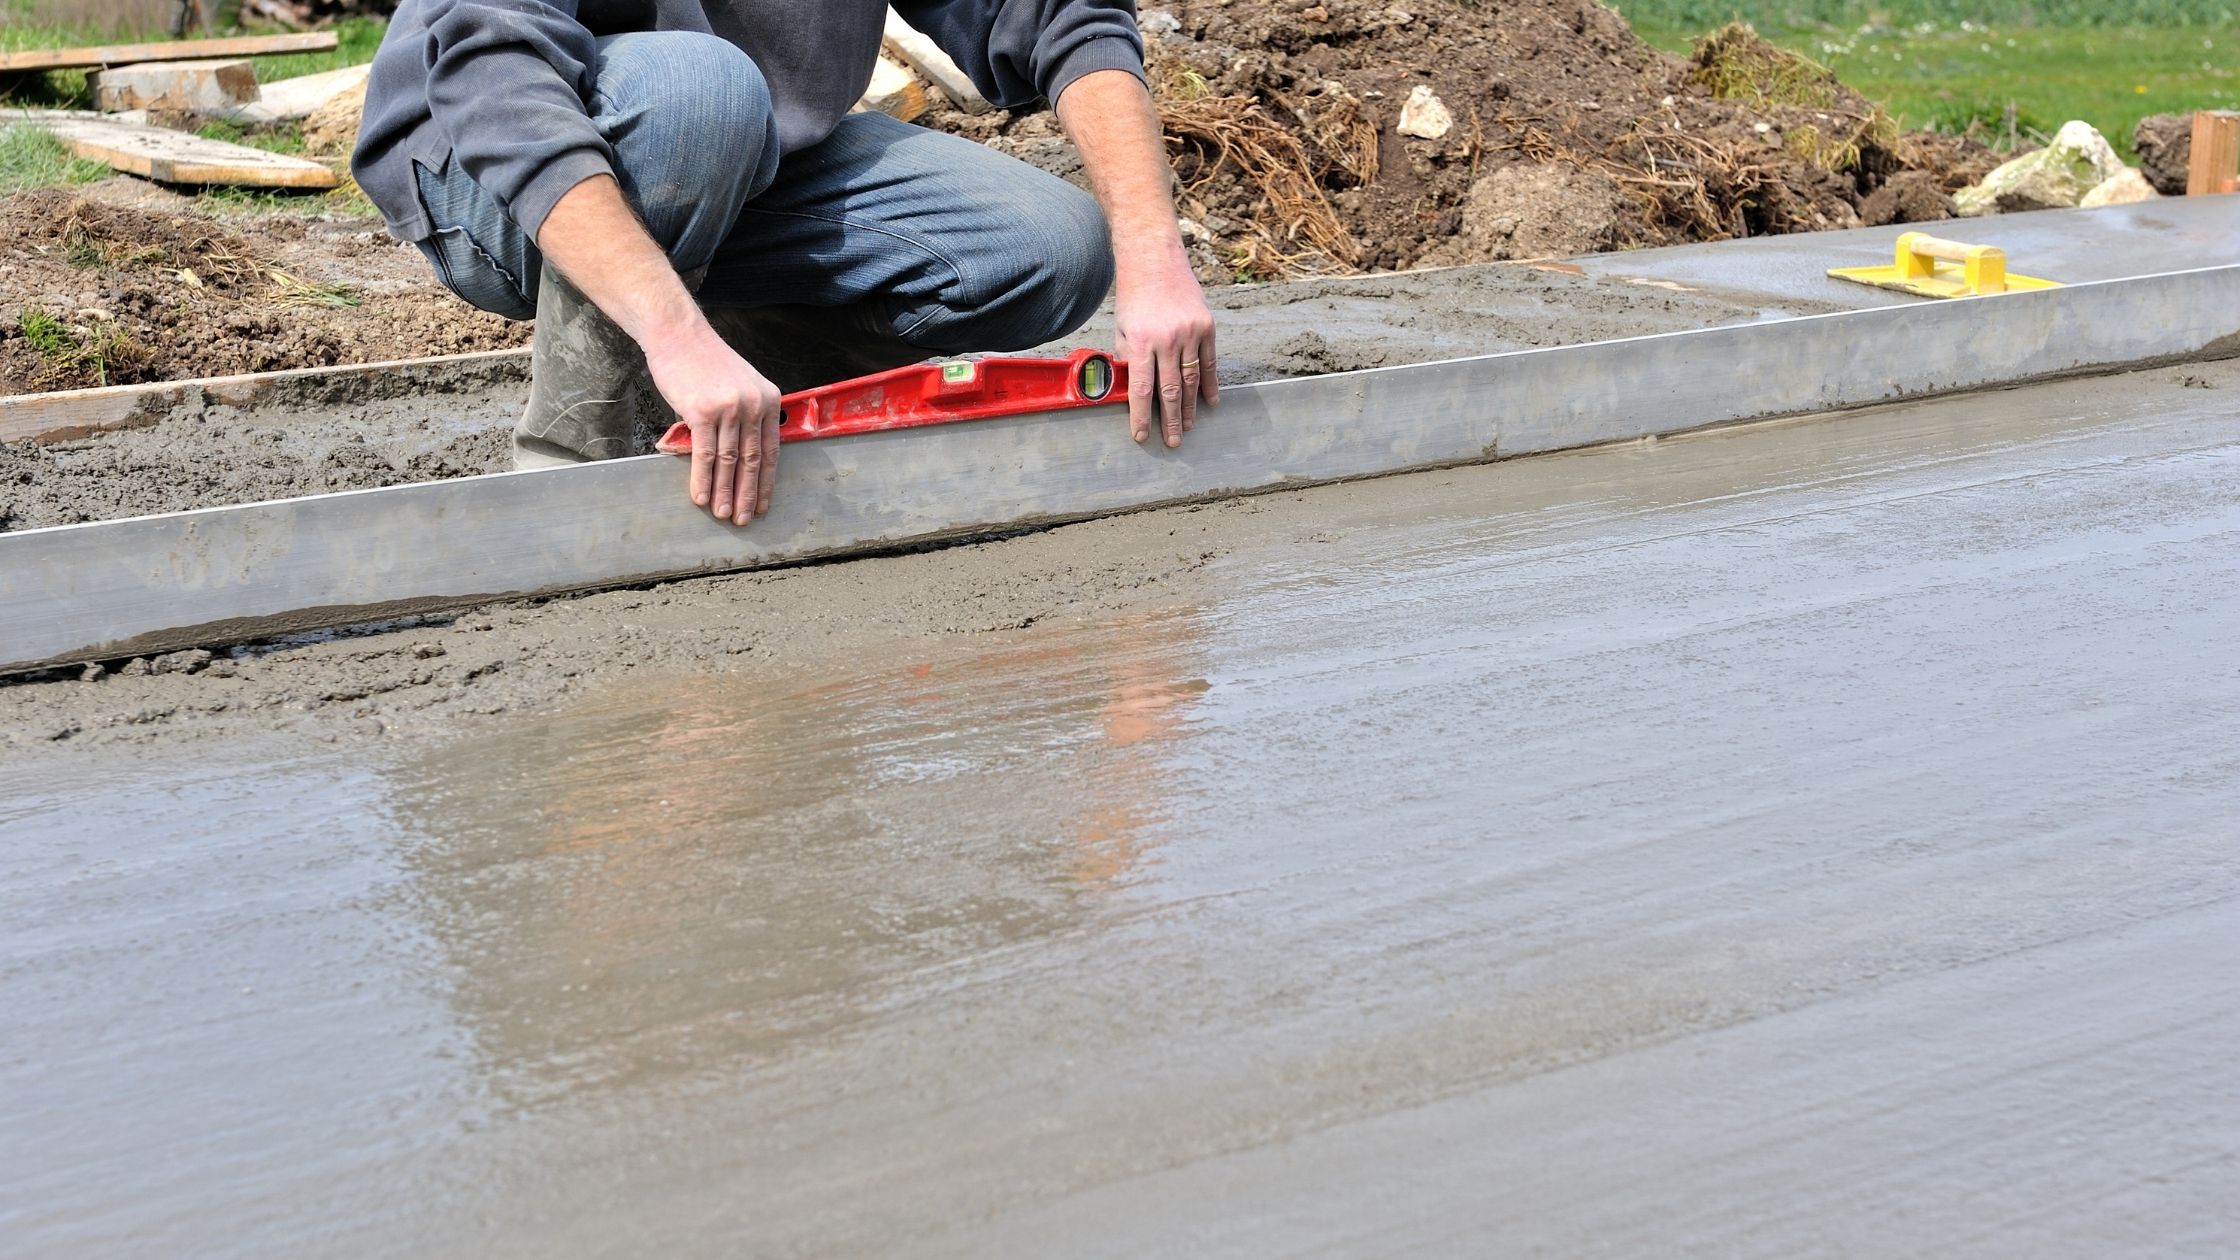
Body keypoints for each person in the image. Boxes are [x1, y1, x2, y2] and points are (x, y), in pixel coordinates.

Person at [352, 1, 1218, 526]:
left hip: (747, 154)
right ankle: (578, 467)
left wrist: (1153, 255)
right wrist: (669, 331)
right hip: (492, 180)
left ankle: (720, 403)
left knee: (1048, 248)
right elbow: (493, 78)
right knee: (703, 93)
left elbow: (1060, 14)